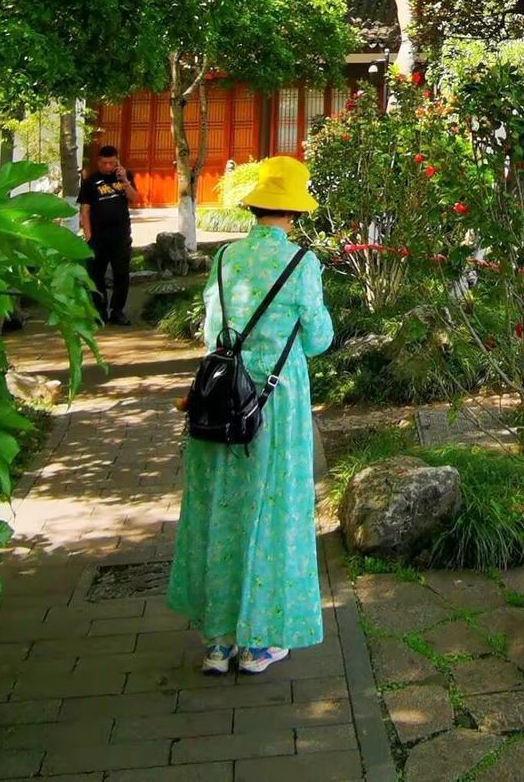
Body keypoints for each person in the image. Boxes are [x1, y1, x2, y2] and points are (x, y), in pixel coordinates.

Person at [167, 155, 333, 676]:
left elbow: (211, 332)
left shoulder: (225, 260)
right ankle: (258, 641)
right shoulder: (301, 264)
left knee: (223, 510)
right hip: (274, 403)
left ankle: (217, 642)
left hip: (222, 399)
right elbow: (320, 338)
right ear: (293, 214)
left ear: (256, 208)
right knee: (272, 511)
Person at [78, 144, 140, 326]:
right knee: (96, 275)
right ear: (98, 162)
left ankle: (117, 311)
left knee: (122, 275)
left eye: (112, 163)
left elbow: (135, 199)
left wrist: (125, 181)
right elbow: (85, 211)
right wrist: (88, 236)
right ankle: (100, 310)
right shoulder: (90, 182)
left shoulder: (124, 176)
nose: (108, 167)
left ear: (117, 161)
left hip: (120, 236)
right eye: (105, 163)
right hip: (97, 238)